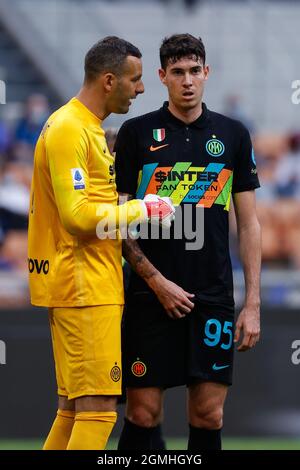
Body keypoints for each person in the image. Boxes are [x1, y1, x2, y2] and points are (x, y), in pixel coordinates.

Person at [28, 36, 175, 451]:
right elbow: (76, 218)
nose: (142, 89)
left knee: (73, 409)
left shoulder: (85, 128)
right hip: (83, 286)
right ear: (109, 80)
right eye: (136, 79)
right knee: (99, 408)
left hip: (87, 283)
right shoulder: (70, 129)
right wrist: (142, 210)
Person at [115, 33, 261, 450]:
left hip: (212, 295)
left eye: (195, 71)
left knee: (208, 414)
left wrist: (251, 305)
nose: (187, 80)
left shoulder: (233, 135)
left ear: (207, 73)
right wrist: (158, 284)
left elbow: (249, 226)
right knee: (142, 414)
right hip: (148, 295)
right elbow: (118, 223)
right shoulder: (135, 133)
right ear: (161, 76)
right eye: (177, 72)